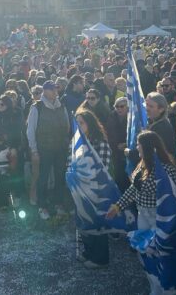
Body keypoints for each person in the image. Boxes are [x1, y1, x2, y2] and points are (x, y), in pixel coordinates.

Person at [107, 130, 176, 231]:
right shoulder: (142, 164)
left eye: (138, 145)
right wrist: (118, 206)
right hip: (142, 214)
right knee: (145, 245)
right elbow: (134, 188)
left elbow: (174, 197)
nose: (137, 148)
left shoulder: (167, 170)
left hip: (160, 216)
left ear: (147, 147)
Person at [73, 108, 112, 269]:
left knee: (97, 224)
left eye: (81, 123)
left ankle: (100, 257)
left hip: (96, 190)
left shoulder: (100, 143)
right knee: (84, 222)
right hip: (80, 189)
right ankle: (89, 252)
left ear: (90, 124)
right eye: (77, 123)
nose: (79, 126)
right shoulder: (78, 142)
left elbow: (102, 168)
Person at [26, 80, 71, 220]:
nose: (55, 92)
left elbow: (67, 126)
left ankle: (58, 204)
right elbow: (30, 131)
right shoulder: (37, 107)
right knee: (42, 178)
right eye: (52, 89)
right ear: (45, 91)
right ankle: (42, 206)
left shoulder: (61, 105)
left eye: (56, 89)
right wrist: (34, 150)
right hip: (44, 149)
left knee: (59, 177)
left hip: (60, 148)